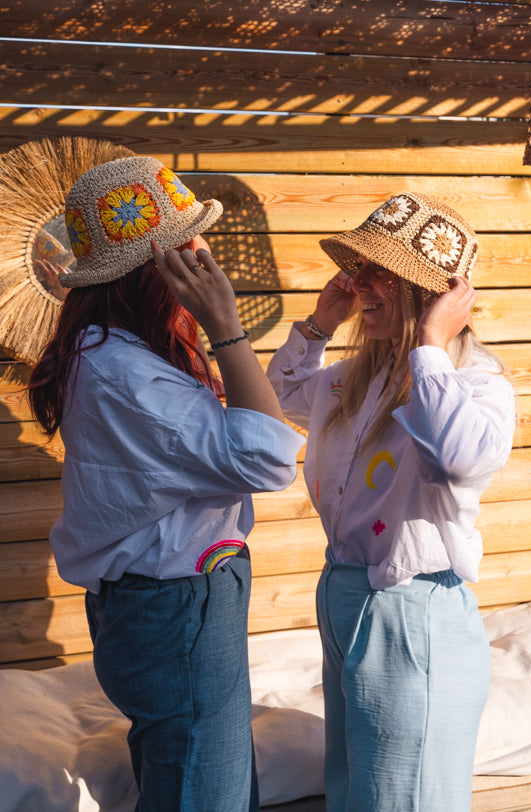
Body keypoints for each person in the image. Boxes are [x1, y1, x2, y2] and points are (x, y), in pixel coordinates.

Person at [28, 155, 305, 812]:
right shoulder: (128, 377)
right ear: (151, 270)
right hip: (178, 610)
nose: (205, 255)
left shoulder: (114, 349)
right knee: (202, 792)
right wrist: (227, 328)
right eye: (188, 244)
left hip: (168, 606)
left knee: (206, 779)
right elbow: (268, 458)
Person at [267, 191, 516, 812]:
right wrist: (320, 325)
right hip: (346, 595)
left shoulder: (475, 381)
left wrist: (431, 340)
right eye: (358, 268)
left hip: (412, 611)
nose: (359, 283)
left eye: (381, 270)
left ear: (428, 290)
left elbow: (458, 456)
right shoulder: (356, 377)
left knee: (403, 799)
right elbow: (277, 395)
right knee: (355, 790)